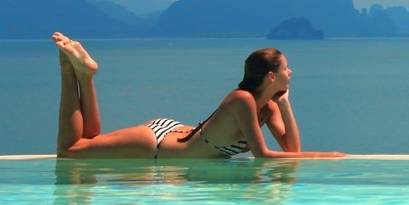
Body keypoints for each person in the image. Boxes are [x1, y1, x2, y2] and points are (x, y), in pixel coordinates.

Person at [51, 33, 345, 160]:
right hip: (157, 144)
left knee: (87, 141)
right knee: (70, 151)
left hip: (176, 133)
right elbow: (263, 155)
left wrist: (285, 102)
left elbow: (291, 149)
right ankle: (70, 69)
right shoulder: (241, 100)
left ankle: (85, 75)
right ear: (271, 76)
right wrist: (323, 156)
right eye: (285, 68)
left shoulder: (269, 106)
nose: (290, 72)